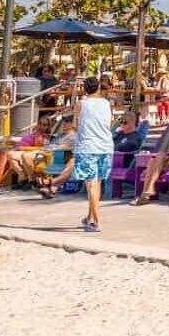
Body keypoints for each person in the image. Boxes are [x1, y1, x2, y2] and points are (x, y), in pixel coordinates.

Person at [65, 76, 116, 232]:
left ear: (84, 89)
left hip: (88, 146)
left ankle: (97, 221)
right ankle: (90, 217)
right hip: (105, 146)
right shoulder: (106, 104)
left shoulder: (81, 104)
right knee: (97, 184)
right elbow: (109, 123)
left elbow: (75, 124)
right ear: (99, 87)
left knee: (91, 184)